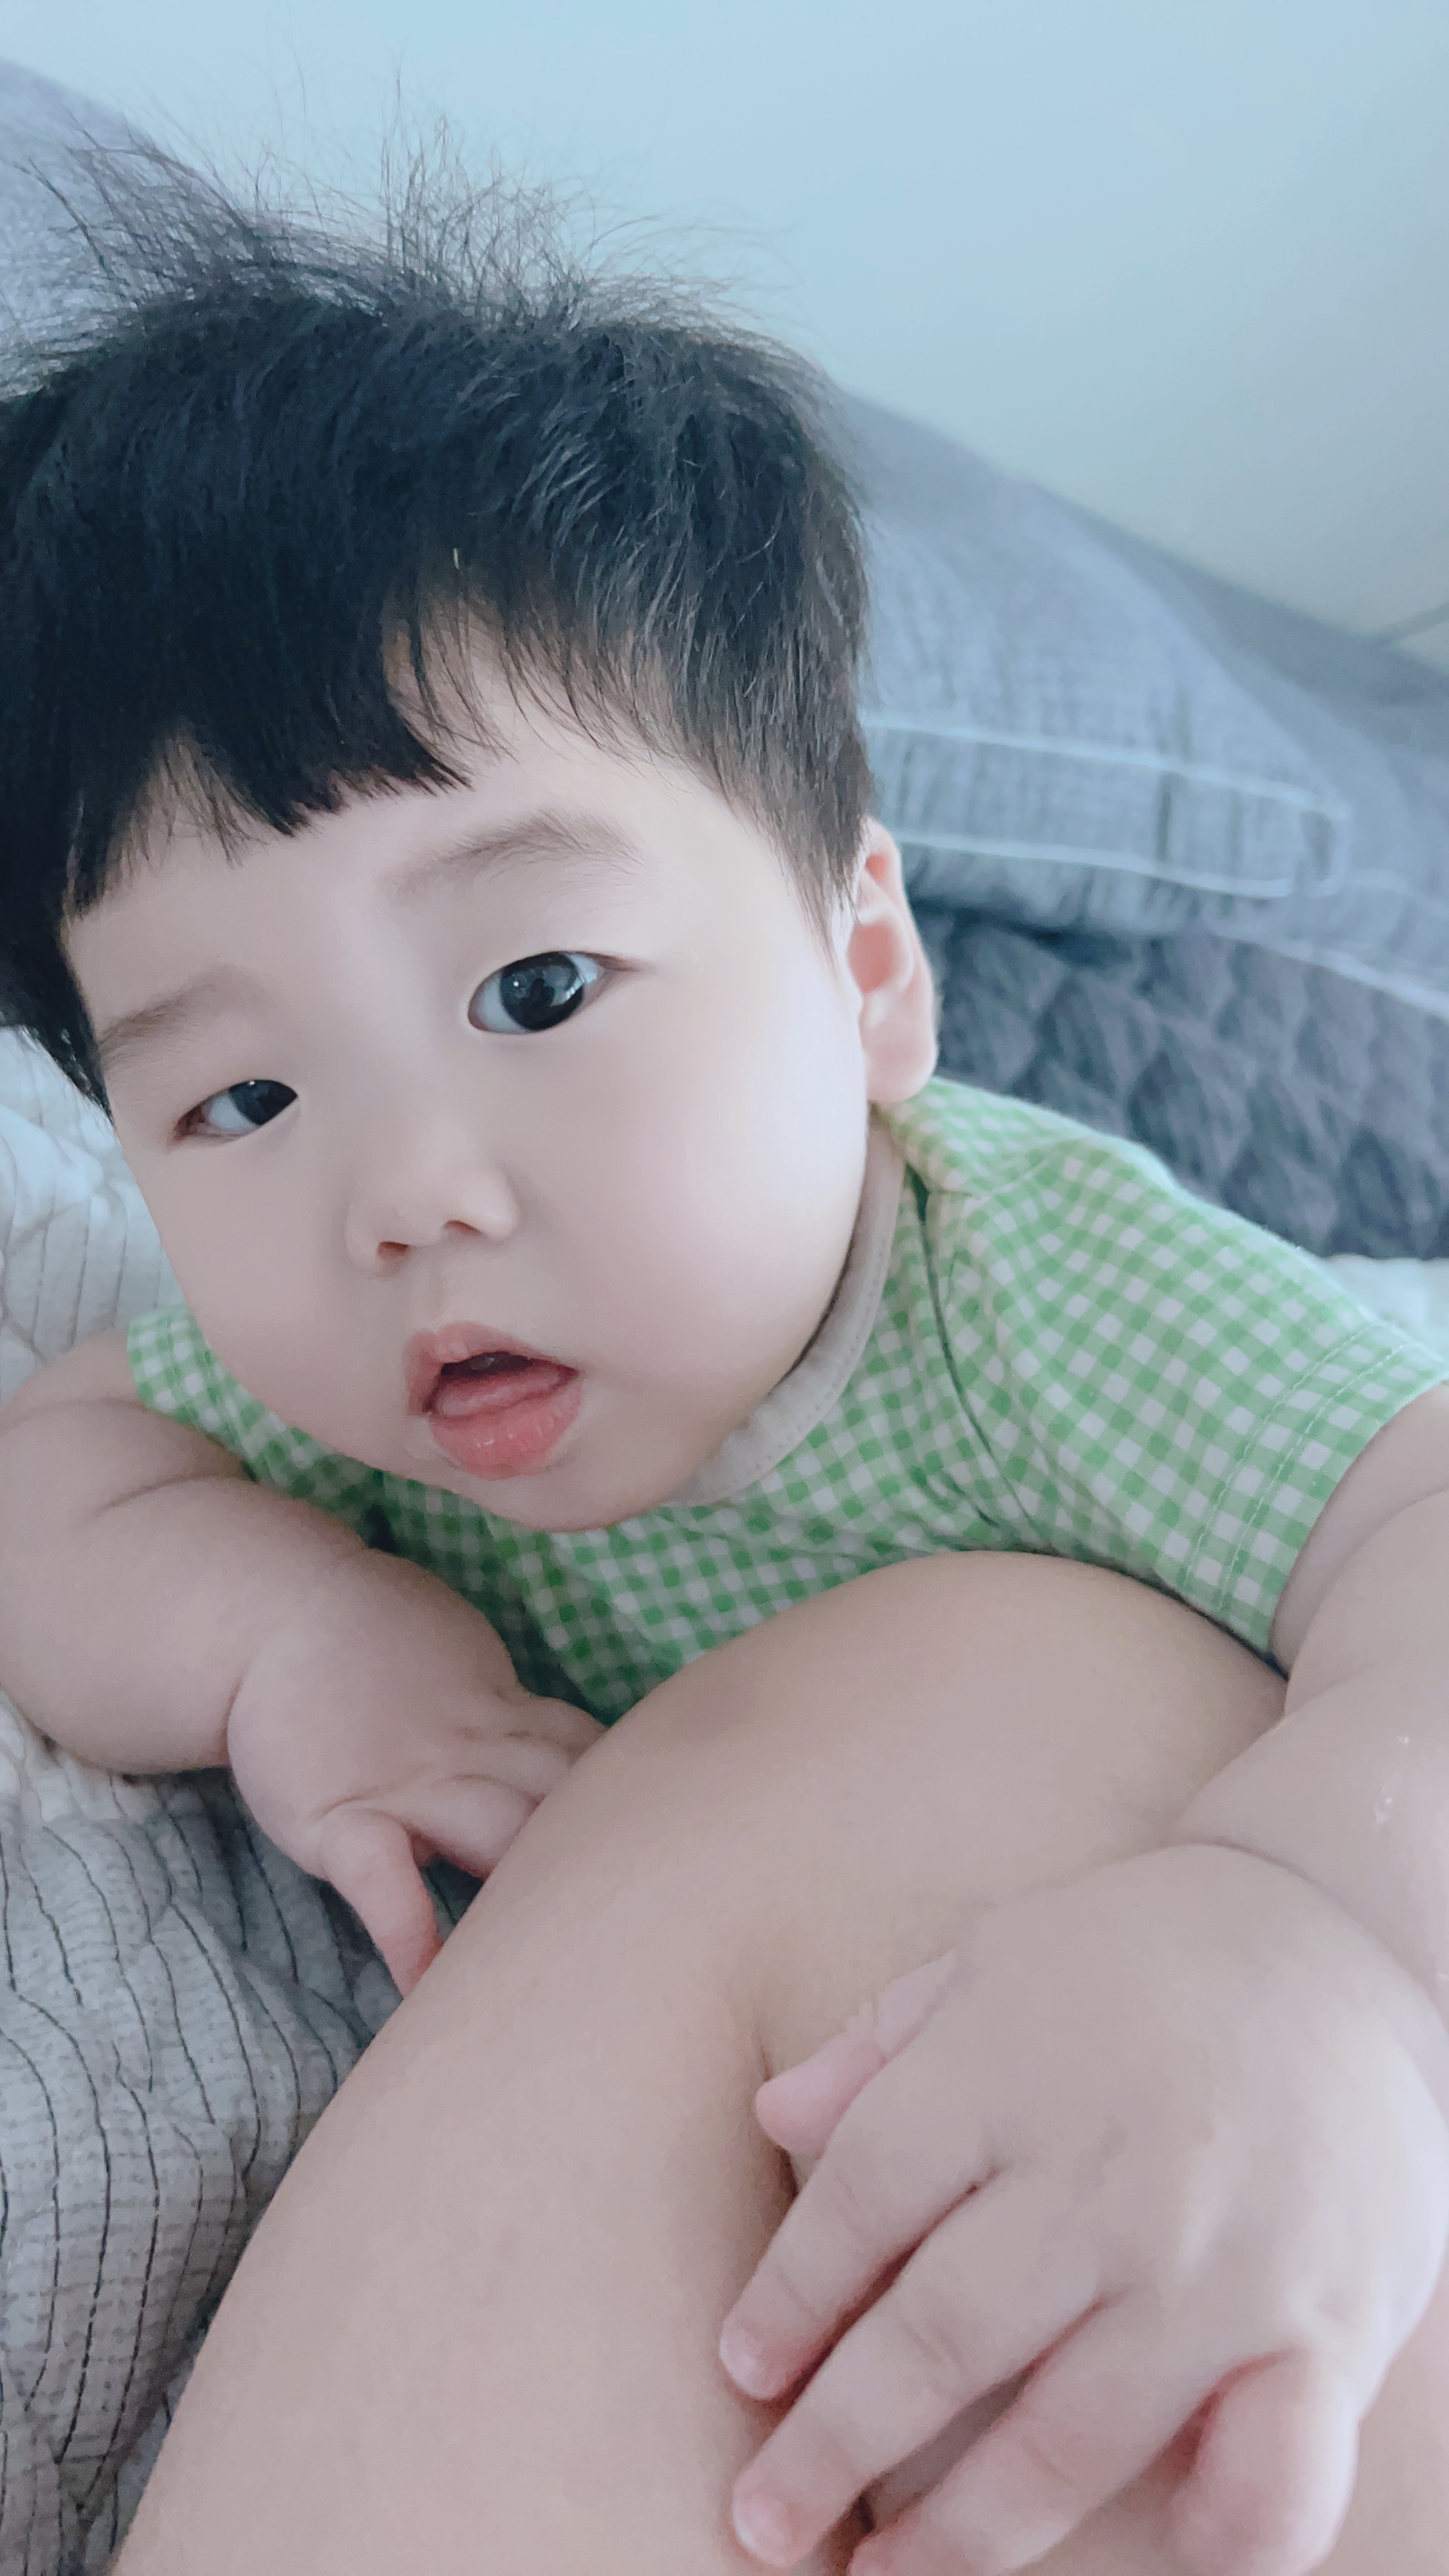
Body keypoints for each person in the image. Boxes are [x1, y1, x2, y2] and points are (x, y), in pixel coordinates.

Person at [1, 152, 1449, 2573]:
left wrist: (1328, 1936)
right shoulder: (366, 1382)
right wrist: (281, 1640)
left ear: (868, 969)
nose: (403, 1193)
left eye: (538, 988)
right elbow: (55, 1478)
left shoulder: (1036, 1297)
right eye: (238, 1100)